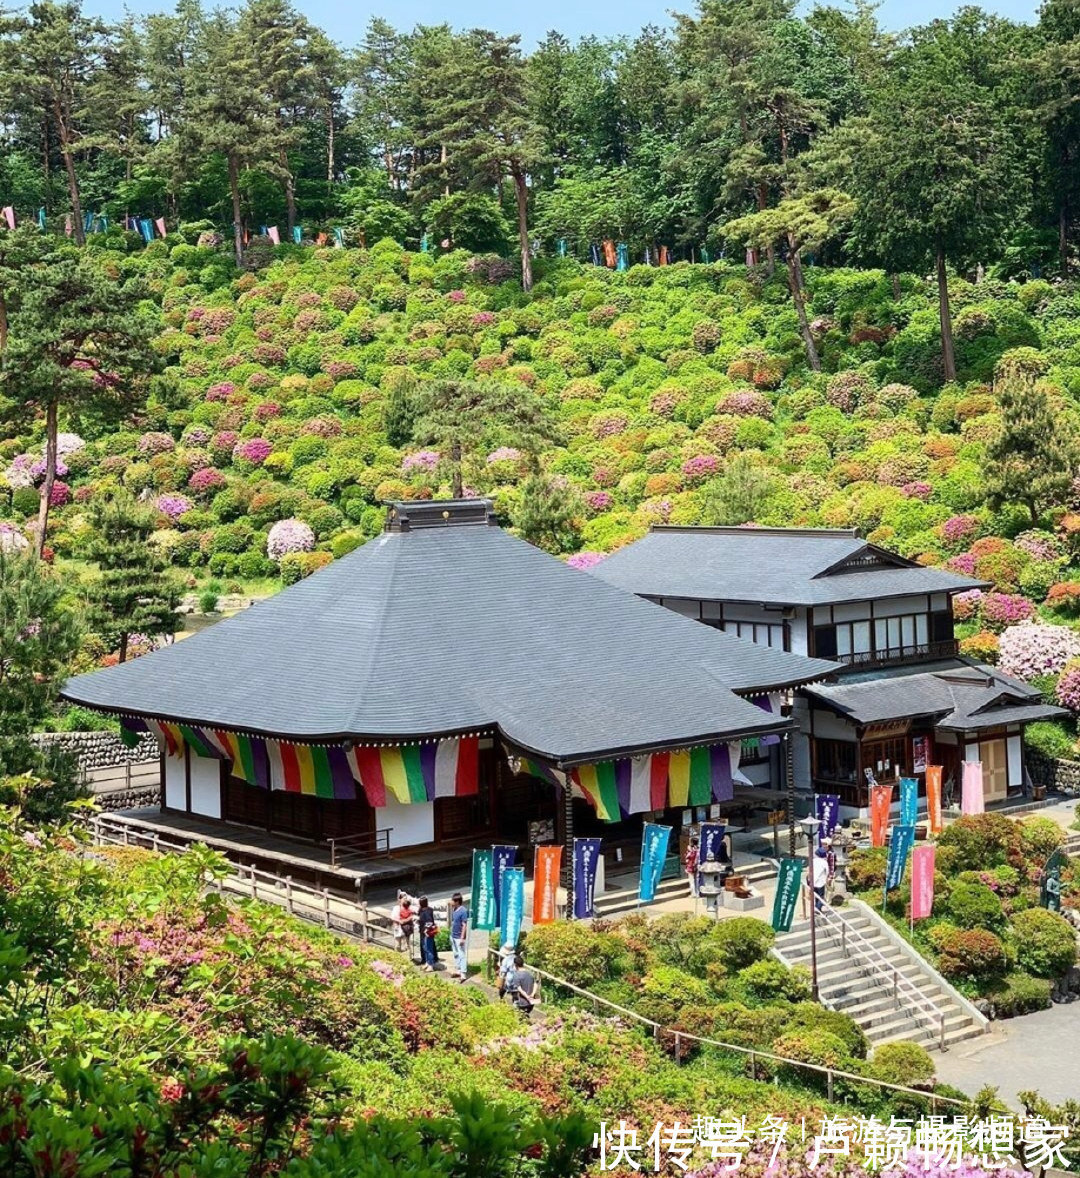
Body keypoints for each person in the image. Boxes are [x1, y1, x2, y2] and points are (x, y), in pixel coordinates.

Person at [449, 891, 469, 981]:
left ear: (457, 901)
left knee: (462, 954)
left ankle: (463, 973)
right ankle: (458, 970)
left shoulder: (463, 911)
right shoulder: (454, 910)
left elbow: (464, 925)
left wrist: (462, 938)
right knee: (456, 954)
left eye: (453, 900)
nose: (451, 902)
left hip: (459, 937)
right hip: (453, 935)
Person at [417, 895, 438, 971]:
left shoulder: (427, 912)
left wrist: (426, 930)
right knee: (425, 948)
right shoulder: (425, 910)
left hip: (427, 933)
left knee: (429, 948)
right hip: (423, 932)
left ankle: (431, 965)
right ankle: (427, 962)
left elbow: (429, 922)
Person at [390, 890, 411, 955]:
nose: (405, 899)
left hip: (406, 928)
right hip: (398, 927)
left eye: (406, 898)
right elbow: (392, 917)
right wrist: (399, 921)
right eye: (403, 898)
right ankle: (398, 958)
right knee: (397, 945)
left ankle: (407, 959)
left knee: (406, 945)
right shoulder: (396, 908)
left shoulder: (408, 907)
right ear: (400, 899)